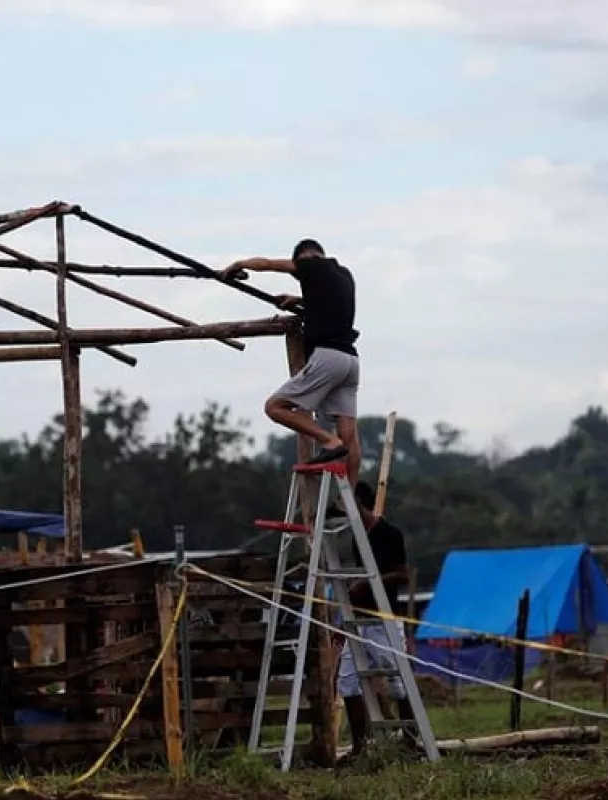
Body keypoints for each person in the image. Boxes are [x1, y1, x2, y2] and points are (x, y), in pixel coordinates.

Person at [220, 239, 360, 481]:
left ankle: (328, 441)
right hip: (350, 360)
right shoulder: (343, 275)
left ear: (304, 257)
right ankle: (352, 498)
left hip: (327, 357)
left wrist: (238, 264)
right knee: (350, 436)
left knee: (274, 407)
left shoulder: (309, 264)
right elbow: (328, 301)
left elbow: (268, 264)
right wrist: (300, 299)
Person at [335, 480, 416, 756]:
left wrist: (370, 582)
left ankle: (410, 738)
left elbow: (403, 574)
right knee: (346, 680)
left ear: (358, 501)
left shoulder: (389, 533)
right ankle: (359, 745)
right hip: (360, 619)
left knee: (397, 680)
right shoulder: (358, 536)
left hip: (384, 619)